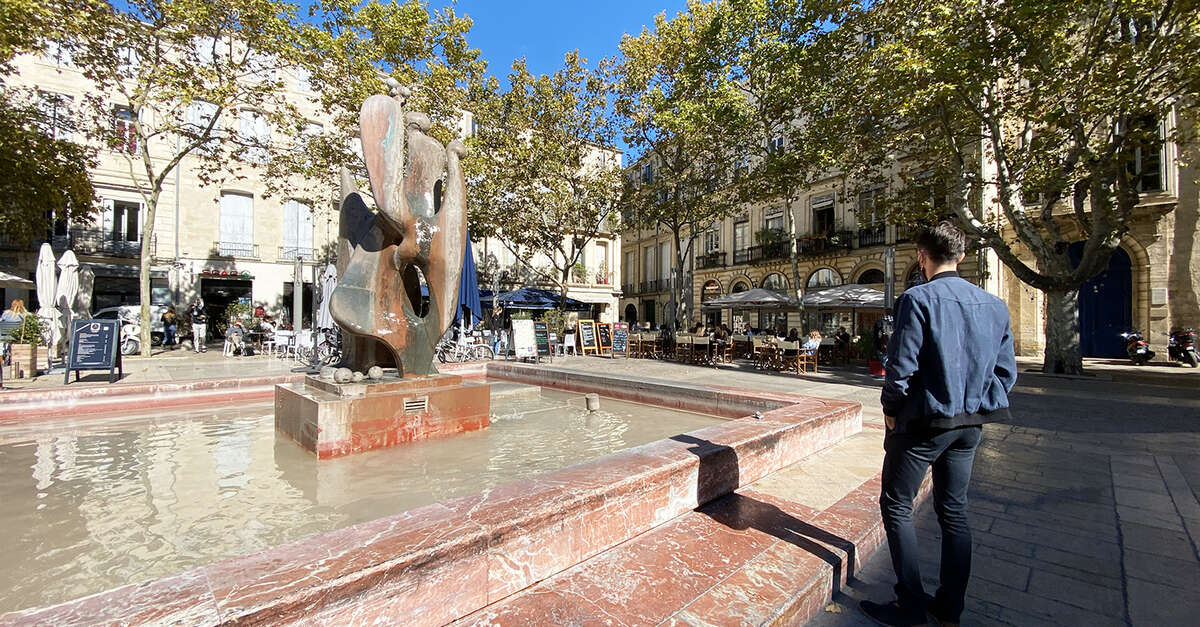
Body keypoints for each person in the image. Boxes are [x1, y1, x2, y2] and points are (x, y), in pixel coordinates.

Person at [860, 221, 1017, 627]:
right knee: (954, 512)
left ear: (922, 257)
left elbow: (901, 367)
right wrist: (981, 406)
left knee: (896, 506)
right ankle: (949, 608)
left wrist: (891, 408)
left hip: (923, 423)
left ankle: (910, 605)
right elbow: (1006, 372)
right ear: (961, 257)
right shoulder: (995, 305)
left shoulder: (917, 299)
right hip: (968, 427)